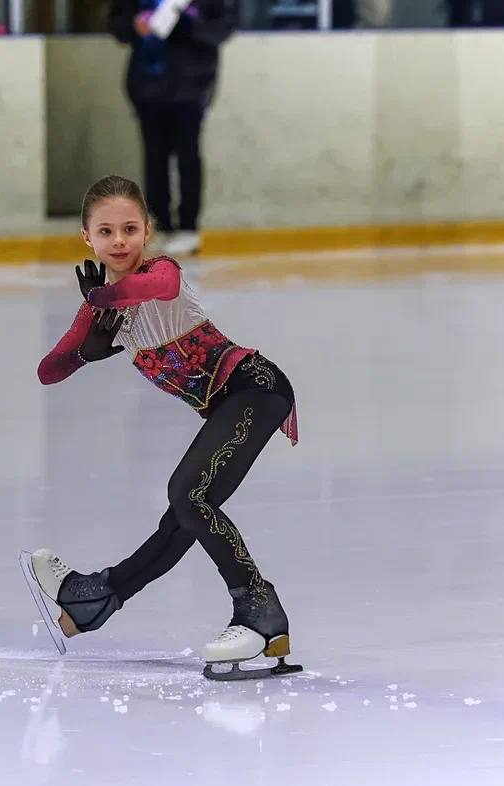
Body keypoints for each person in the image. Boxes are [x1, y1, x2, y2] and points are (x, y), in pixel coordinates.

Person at [25, 175, 300, 681]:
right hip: (227, 405)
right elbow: (49, 371)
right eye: (106, 231)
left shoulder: (160, 271)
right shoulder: (98, 308)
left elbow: (160, 289)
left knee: (186, 494)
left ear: (147, 231)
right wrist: (86, 352)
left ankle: (259, 611)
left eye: (130, 229)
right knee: (183, 517)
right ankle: (94, 598)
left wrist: (106, 296)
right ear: (87, 237)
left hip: (255, 387)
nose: (119, 241)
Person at [108, 0, 237, 258]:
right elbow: (117, 23)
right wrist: (134, 26)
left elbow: (222, 27)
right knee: (154, 159)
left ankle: (188, 227)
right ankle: (161, 225)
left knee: (187, 157)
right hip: (147, 86)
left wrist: (186, 23)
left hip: (191, 87)